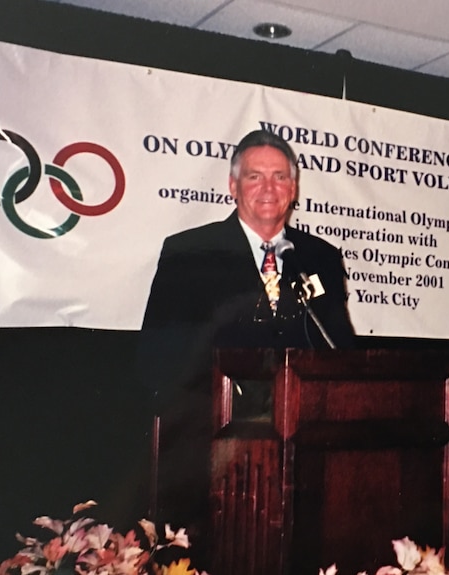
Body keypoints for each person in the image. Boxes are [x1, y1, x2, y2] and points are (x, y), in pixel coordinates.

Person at [138, 129, 355, 561]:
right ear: (233, 186)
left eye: (279, 177)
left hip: (301, 451)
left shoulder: (320, 258)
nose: (269, 188)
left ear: (294, 189)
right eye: (255, 177)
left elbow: (340, 348)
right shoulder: (191, 252)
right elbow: (159, 357)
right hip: (213, 449)